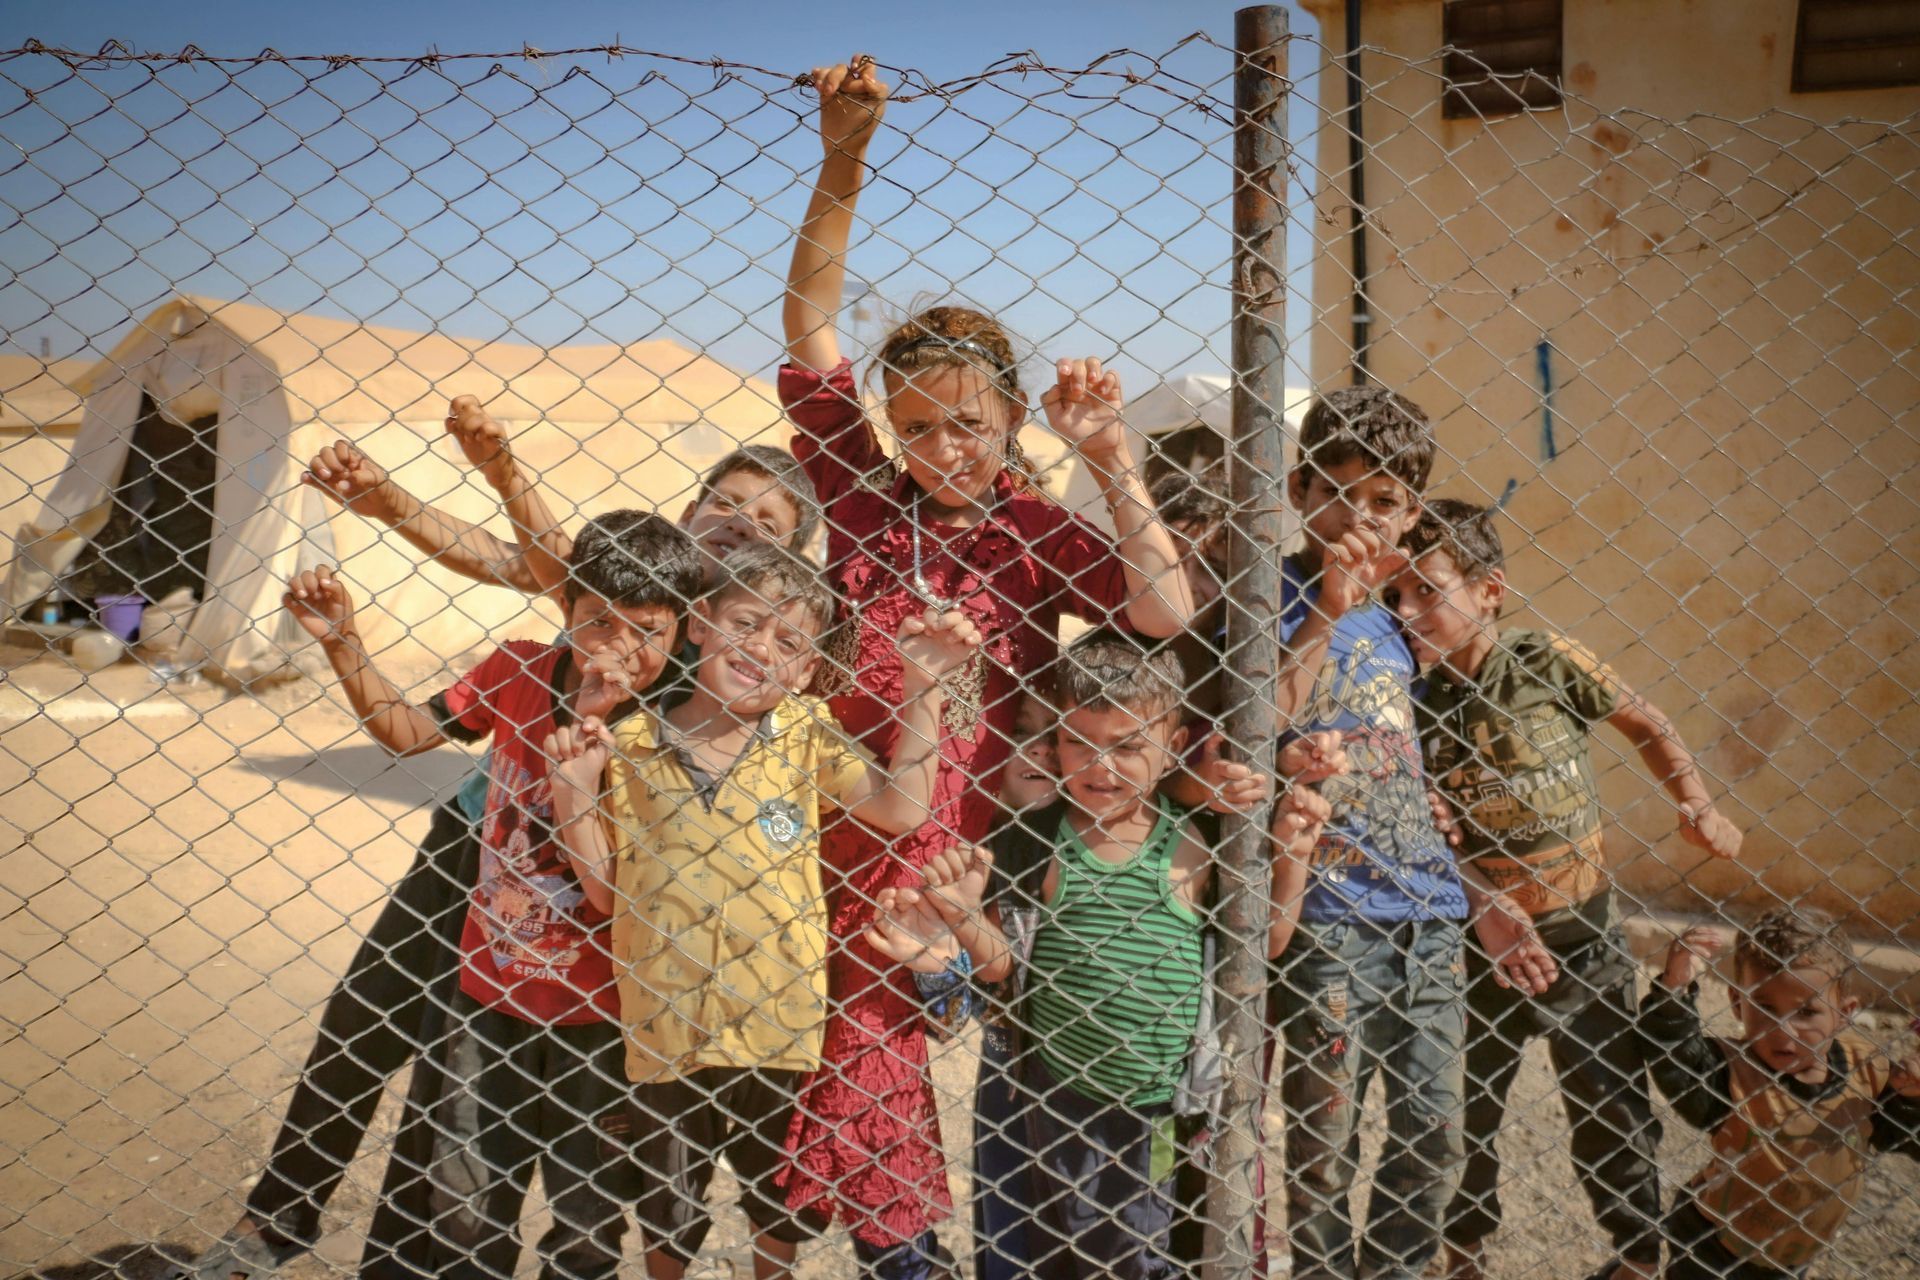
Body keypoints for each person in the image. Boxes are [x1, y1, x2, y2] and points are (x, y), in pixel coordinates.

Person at [778, 53, 1199, 1276]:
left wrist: (1112, 459)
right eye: (915, 425)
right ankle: (887, 1249)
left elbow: (1165, 614)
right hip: (833, 815)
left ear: (1013, 414)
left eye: (968, 421)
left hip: (959, 836)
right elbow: (812, 328)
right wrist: (844, 156)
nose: (943, 447)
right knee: (831, 1064)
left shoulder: (1036, 531)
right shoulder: (858, 496)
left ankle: (953, 1254)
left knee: (942, 1065)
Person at [282, 512, 703, 1279]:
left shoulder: (677, 729)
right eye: (596, 621)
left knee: (584, 1230)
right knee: (463, 1215)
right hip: (487, 1000)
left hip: (602, 1024)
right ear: (565, 607)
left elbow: (631, 890)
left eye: (647, 630)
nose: (619, 648)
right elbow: (409, 733)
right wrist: (342, 642)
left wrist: (599, 726)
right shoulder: (516, 672)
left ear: (681, 633)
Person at [544, 543, 980, 1279]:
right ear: (700, 627)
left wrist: (924, 686)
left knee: (779, 1211)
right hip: (667, 1028)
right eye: (746, 623)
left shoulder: (804, 733)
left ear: (808, 671)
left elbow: (900, 806)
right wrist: (573, 791)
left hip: (781, 1028)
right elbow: (605, 892)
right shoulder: (634, 741)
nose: (762, 650)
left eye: (790, 643)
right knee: (669, 1215)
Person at [863, 633, 1333, 1279]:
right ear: (1055, 740)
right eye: (1081, 741)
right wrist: (968, 918)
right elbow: (1003, 969)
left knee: (1145, 1247)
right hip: (1058, 1100)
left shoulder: (1195, 842)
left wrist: (1293, 861)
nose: (1101, 767)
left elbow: (1262, 948)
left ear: (1172, 747)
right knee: (1065, 1250)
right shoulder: (1033, 839)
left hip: (1160, 1106)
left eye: (1129, 746)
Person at [1388, 499, 1744, 1280]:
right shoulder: (1404, 699)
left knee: (1609, 1102)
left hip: (1583, 933)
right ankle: (1461, 1248)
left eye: (1426, 589)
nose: (1408, 610)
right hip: (1479, 944)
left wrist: (1698, 801)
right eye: (1394, 596)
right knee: (1465, 1105)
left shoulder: (1545, 662)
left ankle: (1639, 1255)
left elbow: (1647, 724)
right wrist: (1482, 896)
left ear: (1490, 588)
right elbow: (1421, 830)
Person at [1266, 386, 1545, 1280]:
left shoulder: (1399, 619)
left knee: (1435, 1135)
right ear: (1299, 491)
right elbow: (1259, 712)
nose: (1359, 515)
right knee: (1323, 1142)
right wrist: (1328, 605)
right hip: (1328, 915)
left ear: (1411, 512)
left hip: (1427, 915)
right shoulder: (1271, 594)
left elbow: (1411, 751)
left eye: (1384, 500)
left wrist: (1469, 881)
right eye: (1338, 491)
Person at [1645, 908, 1920, 1278]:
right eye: (1765, 1007)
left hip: (1791, 1256)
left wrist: (1910, 1099)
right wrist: (1674, 992)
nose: (1784, 1031)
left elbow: (1899, 1136)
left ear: (1844, 1013)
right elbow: (1676, 1062)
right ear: (1737, 1002)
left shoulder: (1865, 1068)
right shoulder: (1734, 1071)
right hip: (1713, 1246)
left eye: (1806, 1012)